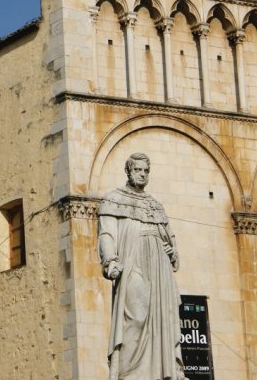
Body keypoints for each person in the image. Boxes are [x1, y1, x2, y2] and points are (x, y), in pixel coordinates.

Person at [98, 153, 187, 380]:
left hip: (159, 267)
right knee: (135, 317)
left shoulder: (155, 205)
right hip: (132, 261)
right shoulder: (113, 200)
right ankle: (129, 375)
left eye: (146, 171)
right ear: (128, 171)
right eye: (138, 170)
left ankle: (161, 372)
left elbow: (170, 238)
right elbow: (107, 233)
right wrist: (110, 261)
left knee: (163, 316)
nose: (143, 175)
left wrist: (171, 251)